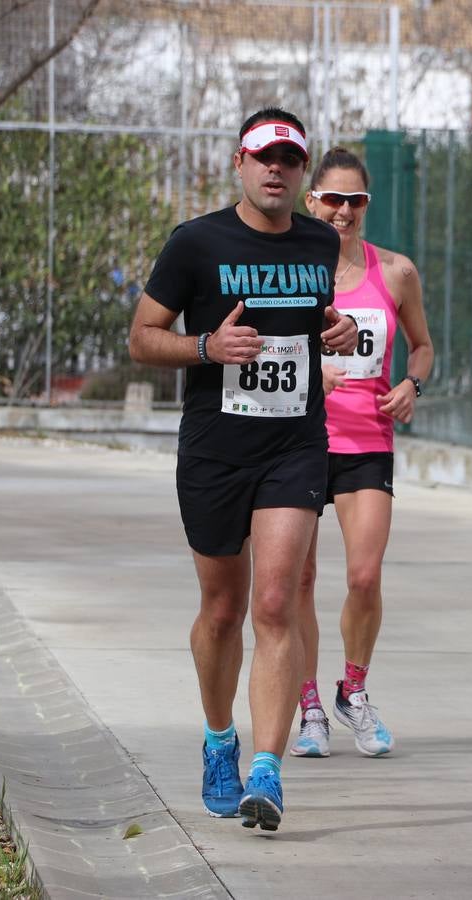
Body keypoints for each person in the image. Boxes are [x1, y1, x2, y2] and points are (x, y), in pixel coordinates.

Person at [127, 107, 359, 832]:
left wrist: (335, 328)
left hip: (294, 446)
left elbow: (314, 322)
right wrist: (205, 350)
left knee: (274, 603)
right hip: (214, 452)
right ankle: (219, 738)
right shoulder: (196, 243)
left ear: (301, 171)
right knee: (223, 611)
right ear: (239, 163)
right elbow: (141, 337)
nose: (276, 171)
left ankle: (267, 767)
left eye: (290, 160)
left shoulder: (321, 241)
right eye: (264, 158)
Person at [288, 147, 434, 759]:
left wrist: (411, 385)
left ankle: (354, 689)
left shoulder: (396, 272)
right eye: (333, 200)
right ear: (311, 201)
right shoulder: (289, 269)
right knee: (298, 579)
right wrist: (304, 371)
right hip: (296, 439)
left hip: (367, 441)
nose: (344, 211)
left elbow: (423, 347)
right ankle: (309, 706)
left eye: (356, 201)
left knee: (364, 575)